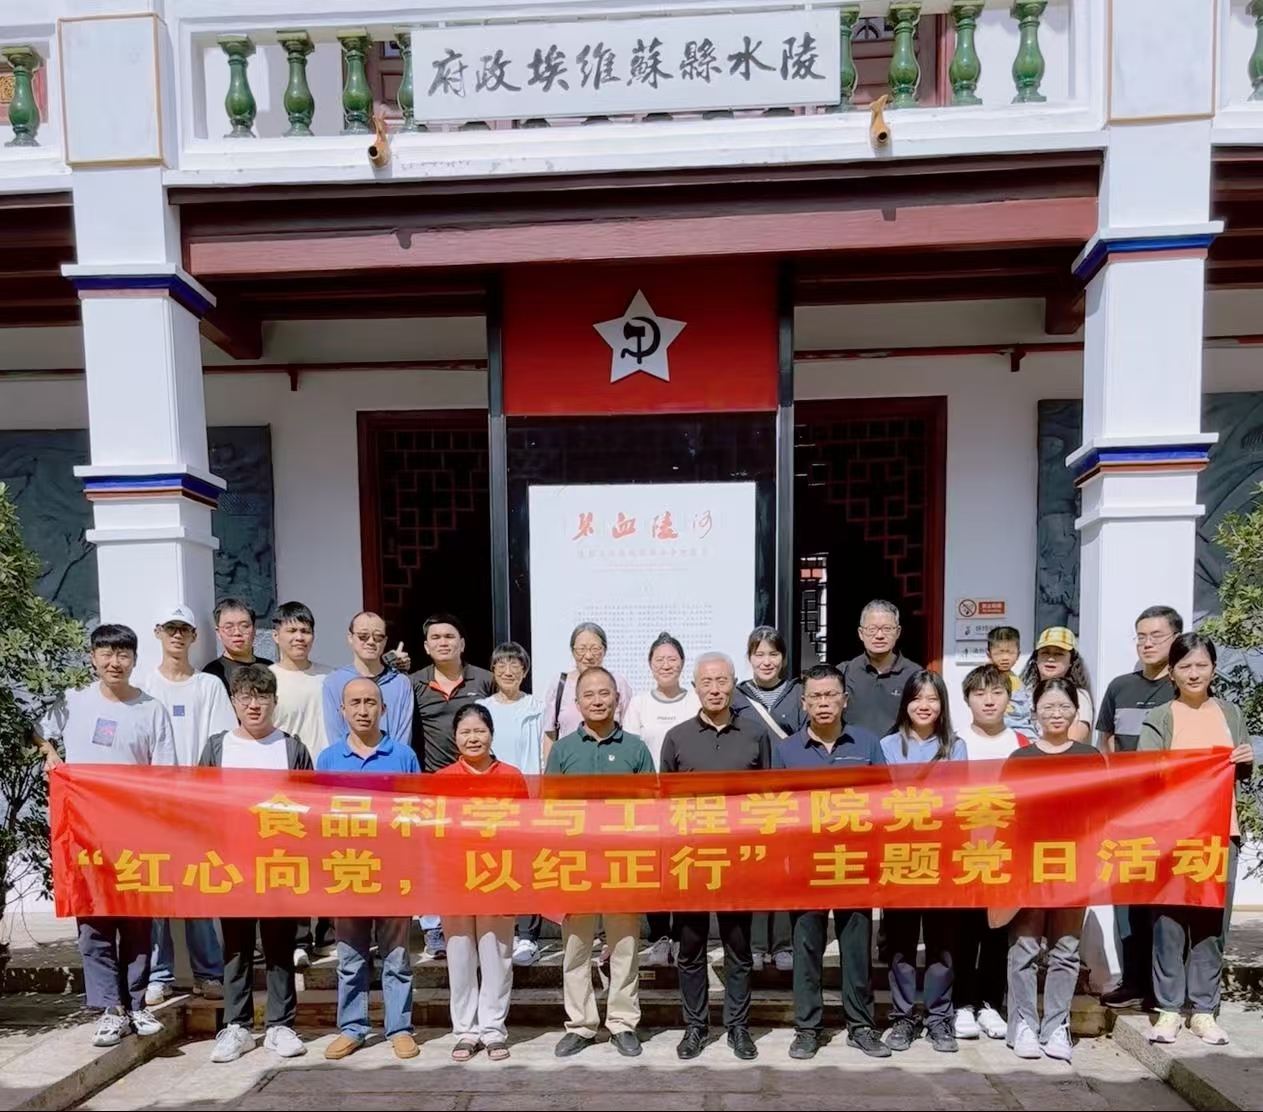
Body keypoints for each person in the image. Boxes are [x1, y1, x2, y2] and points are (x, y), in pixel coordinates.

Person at [35, 623, 175, 1048]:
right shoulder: (73, 701)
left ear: (134, 659)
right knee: (93, 922)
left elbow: (165, 776)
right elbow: (35, 728)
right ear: (93, 658)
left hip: (135, 834)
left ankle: (137, 1004)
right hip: (86, 832)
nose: (115, 662)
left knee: (137, 923)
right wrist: (50, 753)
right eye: (107, 654)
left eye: (123, 654)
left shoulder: (151, 709)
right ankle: (110, 1009)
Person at [1138, 632, 1253, 1046]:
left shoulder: (1230, 713)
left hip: (1222, 832)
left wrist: (1245, 760)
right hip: (1172, 836)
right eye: (1184, 666)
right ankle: (1169, 1009)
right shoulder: (1161, 717)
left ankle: (1204, 1010)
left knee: (1211, 923)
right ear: (1171, 673)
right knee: (1168, 923)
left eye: (1201, 665)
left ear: (1213, 670)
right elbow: (1146, 774)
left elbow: (1241, 775)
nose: (1193, 673)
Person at [772, 663, 890, 1060]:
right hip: (805, 865)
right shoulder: (786, 751)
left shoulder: (867, 744)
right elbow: (774, 810)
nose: (823, 703)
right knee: (807, 948)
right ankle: (808, 1028)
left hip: (854, 863)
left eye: (830, 695)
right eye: (815, 696)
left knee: (856, 949)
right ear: (804, 703)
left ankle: (861, 1026)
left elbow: (884, 802)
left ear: (845, 699)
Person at [659, 652, 770, 1062]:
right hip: (690, 859)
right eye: (707, 682)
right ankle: (695, 1026)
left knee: (738, 948)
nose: (715, 689)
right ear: (695, 687)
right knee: (690, 948)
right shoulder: (677, 737)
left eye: (722, 681)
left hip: (738, 859)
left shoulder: (756, 735)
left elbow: (767, 800)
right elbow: (664, 804)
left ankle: (738, 1026)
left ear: (734, 683)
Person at [200, 664, 311, 1064]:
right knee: (236, 948)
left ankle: (280, 1024)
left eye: (262, 697)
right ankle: (237, 1026)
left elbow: (309, 807)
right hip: (232, 864)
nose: (254, 705)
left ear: (274, 702)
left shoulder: (291, 748)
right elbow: (201, 805)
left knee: (280, 946)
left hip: (279, 862)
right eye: (245, 697)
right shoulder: (218, 747)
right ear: (234, 702)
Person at [546, 666, 654, 1059]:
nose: (597, 700)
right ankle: (581, 1024)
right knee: (576, 950)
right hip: (576, 864)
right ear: (577, 703)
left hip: (623, 863)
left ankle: (623, 1023)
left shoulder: (635, 749)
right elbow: (549, 810)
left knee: (624, 947)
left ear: (617, 699)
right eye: (588, 694)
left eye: (604, 693)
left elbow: (651, 808)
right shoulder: (563, 750)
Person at [317, 677, 421, 1062]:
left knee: (397, 957)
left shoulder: (403, 756)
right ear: (342, 710)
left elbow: (416, 815)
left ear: (384, 709)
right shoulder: (328, 759)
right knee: (350, 958)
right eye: (355, 703)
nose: (363, 710)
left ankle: (400, 1028)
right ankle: (352, 1028)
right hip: (347, 871)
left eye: (370, 702)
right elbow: (318, 818)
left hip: (393, 871)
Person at [1004, 676, 1105, 1062]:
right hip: (1028, 866)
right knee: (1025, 948)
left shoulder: (1090, 757)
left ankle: (1057, 1025)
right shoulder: (1020, 759)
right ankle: (1024, 1025)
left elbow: (1102, 811)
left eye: (1064, 707)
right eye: (1048, 707)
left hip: (1074, 865)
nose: (1056, 714)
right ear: (1035, 713)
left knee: (1065, 949)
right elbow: (1005, 813)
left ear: (1076, 712)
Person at [139, 605, 235, 1008]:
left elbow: (220, 743)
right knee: (156, 892)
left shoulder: (208, 686)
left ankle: (209, 972)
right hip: (150, 807)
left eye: (184, 629)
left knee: (197, 890)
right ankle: (158, 975)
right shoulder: (142, 685)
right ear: (158, 632)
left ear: (194, 636)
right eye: (171, 628)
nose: (177, 636)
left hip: (198, 806)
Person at [1097, 605, 1182, 1012]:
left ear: (1176, 639)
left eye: (1156, 636)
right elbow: (1106, 744)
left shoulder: (1185, 690)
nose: (1147, 643)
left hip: (1172, 813)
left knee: (1165, 900)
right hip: (1127, 813)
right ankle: (1132, 980)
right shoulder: (1119, 687)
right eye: (1141, 636)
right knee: (1126, 899)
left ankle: (1164, 989)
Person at [878, 671, 967, 1054]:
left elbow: (957, 800)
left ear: (942, 705)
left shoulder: (955, 747)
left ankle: (938, 1019)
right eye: (918, 698)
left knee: (941, 945)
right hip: (899, 856)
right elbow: (882, 800)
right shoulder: (886, 745)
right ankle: (902, 1017)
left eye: (933, 698)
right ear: (906, 704)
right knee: (900, 944)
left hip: (941, 857)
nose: (924, 705)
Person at [437, 704, 529, 1062]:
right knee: (460, 957)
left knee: (497, 958)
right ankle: (465, 1030)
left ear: (491, 734)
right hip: (456, 880)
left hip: (498, 877)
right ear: (455, 737)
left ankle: (492, 1030)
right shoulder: (442, 779)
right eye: (466, 732)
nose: (473, 738)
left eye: (480, 731)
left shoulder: (511, 776)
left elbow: (524, 827)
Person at [410, 613, 494, 956]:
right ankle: (433, 927)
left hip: (479, 786)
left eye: (449, 636)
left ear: (462, 643)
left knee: (479, 855)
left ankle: (480, 916)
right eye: (436, 637)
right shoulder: (413, 683)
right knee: (435, 860)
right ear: (426, 646)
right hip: (436, 785)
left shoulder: (485, 680)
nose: (443, 642)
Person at [954, 663, 1030, 1041]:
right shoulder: (955, 742)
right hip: (964, 849)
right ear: (967, 700)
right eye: (980, 693)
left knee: (999, 930)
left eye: (997, 693)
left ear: (1008, 699)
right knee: (964, 931)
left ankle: (989, 1003)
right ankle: (962, 1003)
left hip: (1007, 850)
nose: (988, 701)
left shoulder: (1021, 744)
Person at [624, 631, 700, 967]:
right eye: (660, 660)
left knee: (683, 867)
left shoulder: (695, 700)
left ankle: (683, 935)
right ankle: (659, 937)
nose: (666, 665)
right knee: (654, 871)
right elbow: (631, 749)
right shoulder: (639, 704)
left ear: (682, 663)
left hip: (687, 801)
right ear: (650, 664)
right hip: (649, 801)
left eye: (672, 659)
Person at [736, 626, 803, 971]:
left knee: (786, 870)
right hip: (751, 797)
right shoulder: (737, 696)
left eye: (773, 654)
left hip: (790, 794)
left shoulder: (799, 693)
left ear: (783, 658)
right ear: (749, 658)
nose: (766, 661)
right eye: (759, 654)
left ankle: (783, 944)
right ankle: (756, 943)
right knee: (756, 869)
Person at [478, 642, 547, 968]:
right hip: (489, 802)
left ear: (525, 671)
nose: (508, 672)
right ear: (493, 671)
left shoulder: (537, 707)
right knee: (495, 865)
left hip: (528, 799)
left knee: (527, 867)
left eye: (515, 666)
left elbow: (544, 751)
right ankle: (496, 929)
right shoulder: (481, 709)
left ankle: (528, 936)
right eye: (501, 665)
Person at [542, 621, 632, 756]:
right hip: (569, 762)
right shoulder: (560, 684)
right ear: (573, 651)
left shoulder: (618, 683)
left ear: (604, 650)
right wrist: (549, 768)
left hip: (611, 761)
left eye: (595, 649)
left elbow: (629, 729)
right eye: (581, 649)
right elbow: (550, 734)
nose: (588, 656)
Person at [839, 601, 922, 738]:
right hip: (854, 749)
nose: (879, 635)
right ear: (861, 633)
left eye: (887, 629)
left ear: (898, 632)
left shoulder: (914, 674)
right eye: (872, 629)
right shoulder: (844, 672)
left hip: (899, 750)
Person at [270, 601, 334, 759]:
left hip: (328, 767)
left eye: (305, 631)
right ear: (276, 636)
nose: (299, 637)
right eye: (291, 631)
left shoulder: (331, 677)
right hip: (286, 766)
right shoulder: (267, 679)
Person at [1019, 628, 1093, 742]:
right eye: (1045, 652)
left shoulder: (1078, 696)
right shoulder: (1023, 693)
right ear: (1036, 658)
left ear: (1071, 661)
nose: (1050, 659)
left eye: (1059, 654)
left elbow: (1073, 740)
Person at [202, 598, 270, 694]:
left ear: (254, 630)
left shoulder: (270, 668)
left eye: (244, 626)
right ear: (218, 632)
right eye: (229, 627)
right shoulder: (212, 674)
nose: (237, 633)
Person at [987, 626, 1033, 734]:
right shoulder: (988, 677)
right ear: (989, 654)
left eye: (1010, 653)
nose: (1005, 658)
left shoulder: (1018, 679)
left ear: (1018, 655)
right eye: (999, 653)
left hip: (1023, 728)